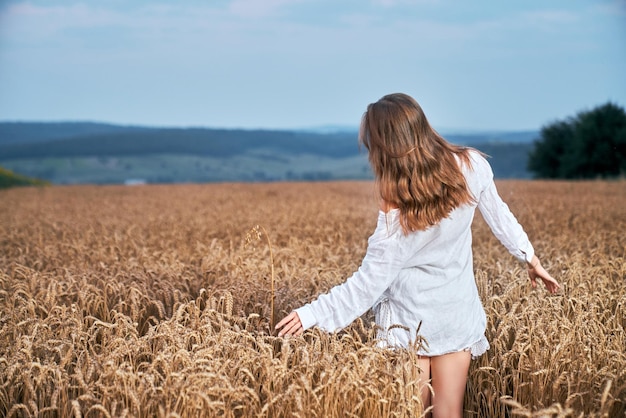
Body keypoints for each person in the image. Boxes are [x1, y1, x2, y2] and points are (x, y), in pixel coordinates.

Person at [275, 93, 560, 417]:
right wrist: (530, 258)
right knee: (449, 414)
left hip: (407, 325)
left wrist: (311, 314)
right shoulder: (471, 165)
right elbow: (500, 217)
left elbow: (367, 286)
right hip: (455, 317)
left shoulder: (395, 204)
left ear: (386, 149)